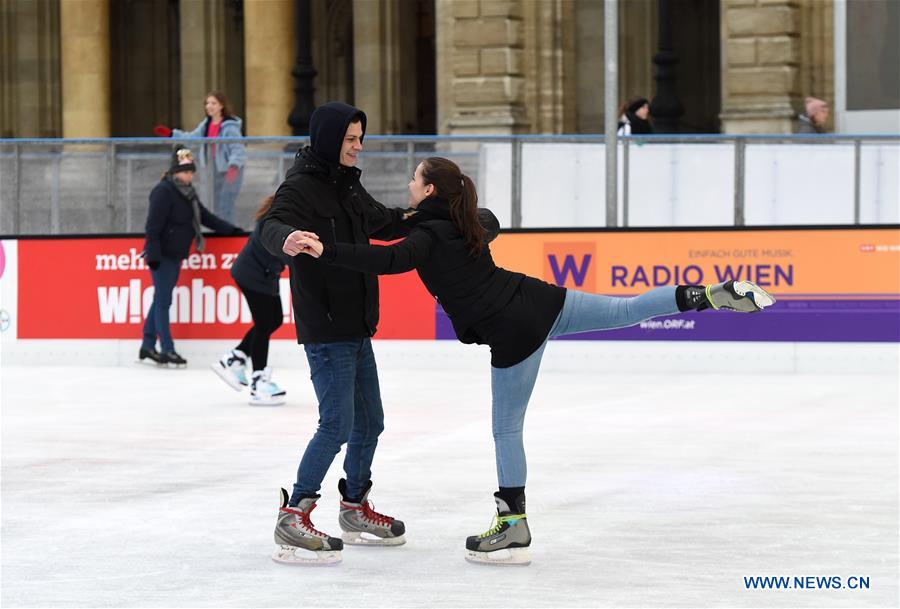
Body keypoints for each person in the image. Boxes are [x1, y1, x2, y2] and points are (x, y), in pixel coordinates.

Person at [291, 156, 777, 566]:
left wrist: (327, 249)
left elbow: (391, 260)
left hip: (512, 329)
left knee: (507, 428)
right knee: (625, 308)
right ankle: (707, 295)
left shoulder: (430, 235)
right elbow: (448, 221)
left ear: (430, 188)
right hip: (541, 300)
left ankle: (512, 525)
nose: (408, 185)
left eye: (414, 179)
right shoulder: (462, 220)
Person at [257, 101, 413, 565]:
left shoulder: (349, 186)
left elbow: (384, 220)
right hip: (326, 327)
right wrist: (285, 239)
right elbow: (271, 223)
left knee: (372, 422)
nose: (357, 146)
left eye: (360, 138)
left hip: (358, 324)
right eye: (350, 139)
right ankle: (294, 513)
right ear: (328, 139)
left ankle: (354, 505)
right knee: (337, 424)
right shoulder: (302, 186)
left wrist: (436, 216)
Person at [139, 147, 240, 367]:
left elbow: (204, 217)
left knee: (160, 299)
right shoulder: (163, 191)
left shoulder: (188, 193)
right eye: (185, 171)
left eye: (191, 172)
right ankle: (167, 349)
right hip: (162, 255)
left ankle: (147, 346)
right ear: (175, 171)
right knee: (164, 301)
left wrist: (232, 230)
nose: (189, 175)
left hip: (175, 254)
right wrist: (153, 254)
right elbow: (153, 226)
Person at [212, 195, 289, 406]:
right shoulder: (273, 220)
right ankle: (258, 383)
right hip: (252, 275)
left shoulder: (285, 217)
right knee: (265, 324)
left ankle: (235, 357)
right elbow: (288, 255)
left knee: (274, 320)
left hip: (265, 276)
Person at [154, 91, 246, 225]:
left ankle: (232, 233)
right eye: (207, 103)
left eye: (213, 103)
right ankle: (222, 232)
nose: (209, 106)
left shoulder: (230, 126)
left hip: (231, 170)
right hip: (213, 169)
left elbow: (237, 149)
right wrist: (172, 134)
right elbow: (192, 138)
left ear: (221, 105)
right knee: (215, 204)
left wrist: (233, 167)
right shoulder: (207, 124)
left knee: (225, 204)